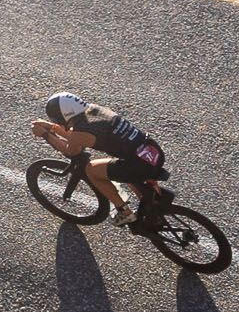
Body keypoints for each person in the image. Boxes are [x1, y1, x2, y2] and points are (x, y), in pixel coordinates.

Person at [34, 91, 172, 232]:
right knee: (122, 169)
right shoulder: (95, 110)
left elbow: (72, 151)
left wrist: (46, 134)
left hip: (139, 164)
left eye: (57, 119)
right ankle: (153, 206)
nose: (57, 122)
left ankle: (125, 212)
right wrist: (51, 127)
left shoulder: (81, 132)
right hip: (152, 151)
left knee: (91, 170)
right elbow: (75, 136)